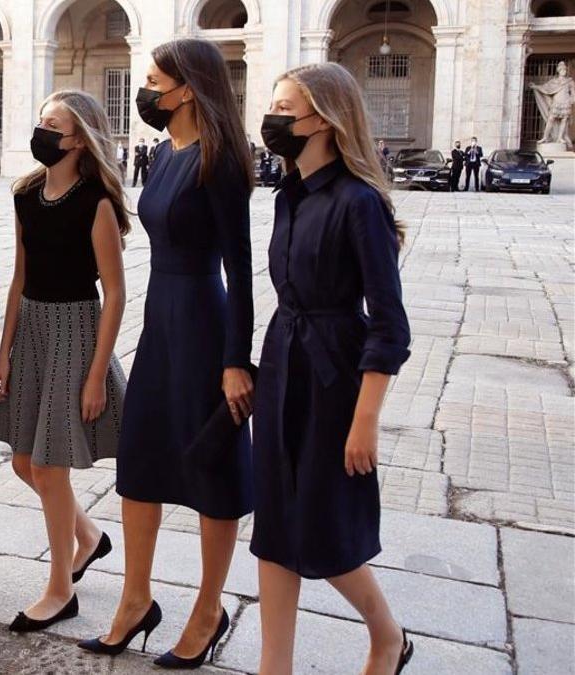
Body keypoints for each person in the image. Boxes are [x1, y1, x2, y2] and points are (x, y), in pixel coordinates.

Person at [80, 38, 255, 669]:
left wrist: (238, 361)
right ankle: (134, 600)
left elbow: (240, 267)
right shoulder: (161, 154)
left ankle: (208, 609)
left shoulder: (221, 160)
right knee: (142, 461)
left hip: (206, 323)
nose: (145, 91)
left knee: (213, 467)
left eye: (155, 81)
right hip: (161, 320)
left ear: (188, 89)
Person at [252, 62, 414, 675]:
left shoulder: (359, 203)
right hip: (282, 364)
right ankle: (275, 667)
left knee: (326, 531)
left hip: (334, 378)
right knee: (273, 526)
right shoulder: (287, 196)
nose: (274, 119)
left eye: (286, 107)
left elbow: (389, 323)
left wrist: (365, 419)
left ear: (324, 118)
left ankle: (387, 636)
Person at [0, 89, 129, 634]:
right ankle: (89, 537)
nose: (42, 132)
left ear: (79, 139)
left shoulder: (95, 201)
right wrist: (2, 354)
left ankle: (59, 590)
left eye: (54, 125)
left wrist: (97, 375)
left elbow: (114, 294)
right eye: (41, 120)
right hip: (32, 329)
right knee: (25, 463)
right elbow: (19, 275)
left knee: (49, 466)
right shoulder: (26, 193)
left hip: (75, 330)